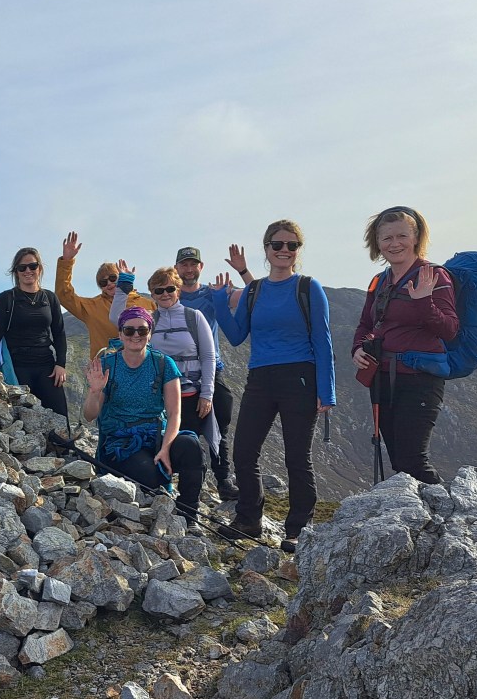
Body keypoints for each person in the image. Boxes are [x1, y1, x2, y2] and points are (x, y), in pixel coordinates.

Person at [213, 220, 335, 553]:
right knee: (244, 452)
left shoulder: (309, 288)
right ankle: (248, 519)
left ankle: (298, 529)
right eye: (277, 244)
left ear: (298, 250)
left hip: (300, 376)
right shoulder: (254, 291)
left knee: (297, 457)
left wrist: (328, 391)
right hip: (260, 377)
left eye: (291, 245)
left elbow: (322, 341)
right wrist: (220, 305)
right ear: (266, 249)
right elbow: (237, 336)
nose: (284, 250)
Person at [351, 206, 458, 485]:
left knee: (412, 459)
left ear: (416, 238)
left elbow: (449, 330)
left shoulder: (433, 276)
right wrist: (358, 349)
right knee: (399, 459)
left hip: (420, 379)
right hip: (383, 378)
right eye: (386, 238)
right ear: (377, 243)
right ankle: (422, 520)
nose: (394, 244)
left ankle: (446, 516)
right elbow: (366, 323)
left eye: (402, 236)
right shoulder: (381, 281)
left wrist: (424, 301)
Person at [83, 307, 207, 527]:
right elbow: (90, 415)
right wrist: (94, 391)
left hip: (155, 434)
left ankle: (188, 515)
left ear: (150, 333)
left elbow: (174, 413)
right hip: (120, 443)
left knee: (191, 446)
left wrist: (166, 448)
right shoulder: (107, 366)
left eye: (142, 329)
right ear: (120, 334)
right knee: (148, 476)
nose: (136, 335)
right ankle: (156, 508)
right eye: (129, 330)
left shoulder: (163, 364)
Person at [110, 263, 218, 466]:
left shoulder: (194, 317)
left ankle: (208, 486)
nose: (165, 294)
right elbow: (116, 318)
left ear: (178, 290)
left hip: (191, 396)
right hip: (159, 398)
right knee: (164, 444)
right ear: (152, 294)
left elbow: (208, 357)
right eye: (159, 290)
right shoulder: (149, 321)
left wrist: (207, 393)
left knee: (192, 447)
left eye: (170, 289)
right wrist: (125, 283)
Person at [174, 244, 254, 500]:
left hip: (211, 371)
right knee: (185, 430)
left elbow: (255, 294)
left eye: (192, 264)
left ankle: (223, 481)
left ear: (200, 267)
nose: (188, 269)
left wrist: (243, 270)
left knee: (220, 426)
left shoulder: (214, 293)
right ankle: (186, 484)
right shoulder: (169, 294)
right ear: (177, 268)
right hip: (180, 374)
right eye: (183, 264)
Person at [0, 247, 71, 442]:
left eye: (32, 266)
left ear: (40, 268)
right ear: (15, 272)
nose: (28, 271)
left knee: (60, 417)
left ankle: (65, 454)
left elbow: (59, 333)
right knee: (23, 421)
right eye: (22, 267)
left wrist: (61, 363)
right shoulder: (6, 298)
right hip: (17, 368)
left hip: (47, 367)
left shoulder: (50, 298)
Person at [54, 231, 151, 360]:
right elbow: (63, 295)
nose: (109, 283)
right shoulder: (91, 307)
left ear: (121, 276)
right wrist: (67, 261)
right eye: (103, 282)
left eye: (112, 278)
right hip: (105, 371)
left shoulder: (148, 304)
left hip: (142, 366)